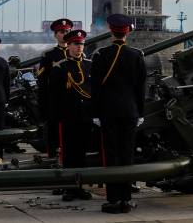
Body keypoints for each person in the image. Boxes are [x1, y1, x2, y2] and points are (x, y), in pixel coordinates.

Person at [91, 14, 147, 214]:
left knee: (112, 155)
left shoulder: (100, 55)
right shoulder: (136, 55)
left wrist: (95, 112)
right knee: (127, 154)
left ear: (110, 30)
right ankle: (126, 199)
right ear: (128, 31)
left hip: (107, 112)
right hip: (130, 112)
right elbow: (141, 88)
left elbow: (95, 88)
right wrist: (140, 112)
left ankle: (113, 199)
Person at [51, 29, 93, 202]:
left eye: (81, 44)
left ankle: (80, 186)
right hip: (68, 116)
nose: (79, 47)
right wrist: (55, 118)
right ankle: (69, 188)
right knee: (69, 154)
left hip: (86, 116)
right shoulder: (60, 67)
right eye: (76, 44)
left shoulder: (90, 65)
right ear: (68, 45)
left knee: (82, 154)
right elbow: (54, 96)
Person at [37, 18, 72, 160]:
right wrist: (43, 104)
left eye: (67, 31)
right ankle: (52, 158)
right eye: (61, 32)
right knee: (53, 132)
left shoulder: (77, 52)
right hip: (54, 99)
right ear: (55, 35)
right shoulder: (49, 55)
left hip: (71, 99)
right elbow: (42, 81)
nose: (64, 34)